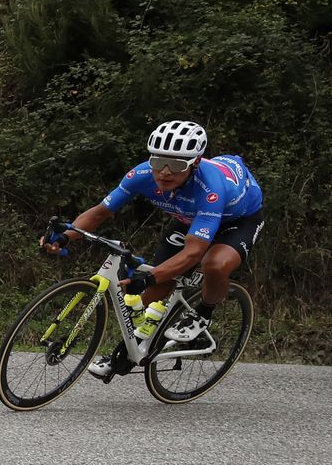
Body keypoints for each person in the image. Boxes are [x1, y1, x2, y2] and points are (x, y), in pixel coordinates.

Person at [40, 120, 264, 380]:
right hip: (188, 218)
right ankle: (128, 351)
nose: (165, 172)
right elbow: (100, 212)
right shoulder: (142, 175)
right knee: (155, 290)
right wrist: (65, 238)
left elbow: (193, 252)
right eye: (159, 162)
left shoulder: (211, 188)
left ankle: (203, 315)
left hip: (237, 220)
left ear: (196, 163)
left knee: (213, 263)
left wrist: (149, 276)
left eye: (177, 165)